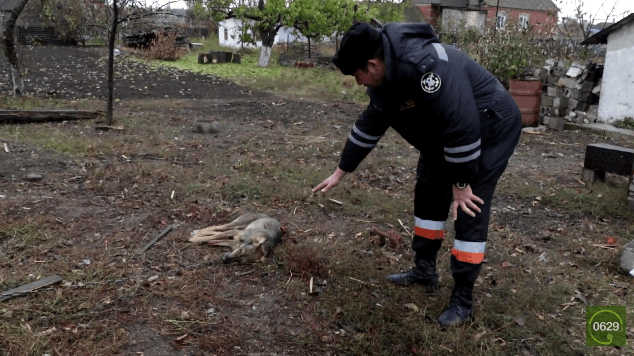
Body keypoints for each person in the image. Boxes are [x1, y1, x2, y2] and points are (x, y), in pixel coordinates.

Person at [312, 22, 522, 326]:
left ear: (372, 65)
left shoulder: (427, 68)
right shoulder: (386, 78)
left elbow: (462, 125)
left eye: (357, 76)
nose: (358, 83)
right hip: (445, 135)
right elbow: (370, 124)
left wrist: (461, 183)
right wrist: (341, 170)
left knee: (468, 206)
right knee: (428, 191)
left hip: (490, 127)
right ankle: (424, 270)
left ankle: (462, 300)